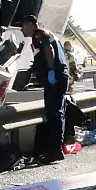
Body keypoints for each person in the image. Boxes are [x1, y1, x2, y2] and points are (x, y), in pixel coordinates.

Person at [21, 15, 69, 164]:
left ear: (30, 25)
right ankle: (55, 148)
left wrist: (50, 70)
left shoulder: (39, 34)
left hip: (55, 78)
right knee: (57, 113)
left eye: (23, 26)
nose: (22, 29)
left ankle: (55, 150)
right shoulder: (47, 34)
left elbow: (49, 51)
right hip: (60, 77)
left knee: (54, 114)